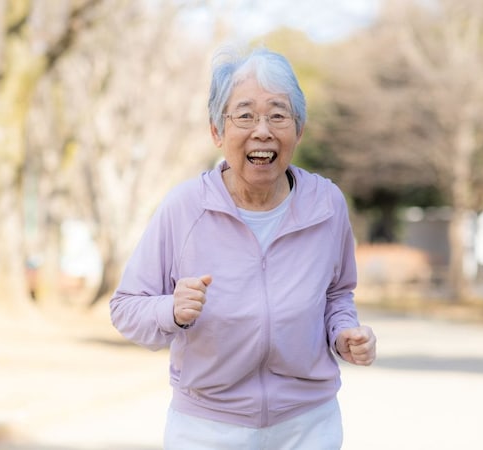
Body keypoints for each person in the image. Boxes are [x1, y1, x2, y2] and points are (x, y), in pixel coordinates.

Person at [109, 45, 377, 449]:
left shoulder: (327, 205)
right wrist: (172, 310)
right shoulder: (185, 208)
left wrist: (343, 334)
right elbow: (126, 306)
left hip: (308, 425)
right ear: (217, 131)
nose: (263, 130)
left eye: (278, 114)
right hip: (208, 428)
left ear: (298, 129)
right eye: (245, 115)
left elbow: (337, 293)